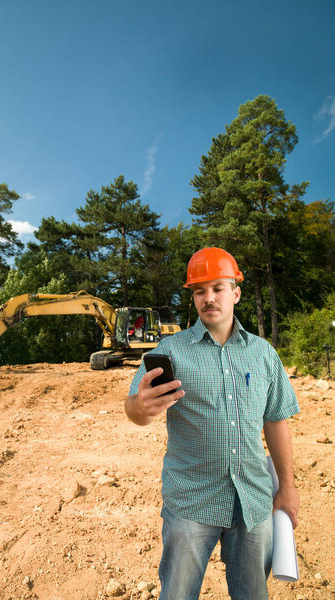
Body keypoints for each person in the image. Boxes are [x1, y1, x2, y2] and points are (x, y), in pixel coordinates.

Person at [125, 247, 300, 600]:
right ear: (193, 297)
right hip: (191, 502)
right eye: (199, 291)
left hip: (253, 501)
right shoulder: (171, 350)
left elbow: (276, 420)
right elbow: (135, 409)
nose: (209, 298)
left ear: (235, 292)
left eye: (218, 288)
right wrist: (140, 407)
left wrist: (288, 487)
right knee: (177, 594)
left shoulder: (263, 353)